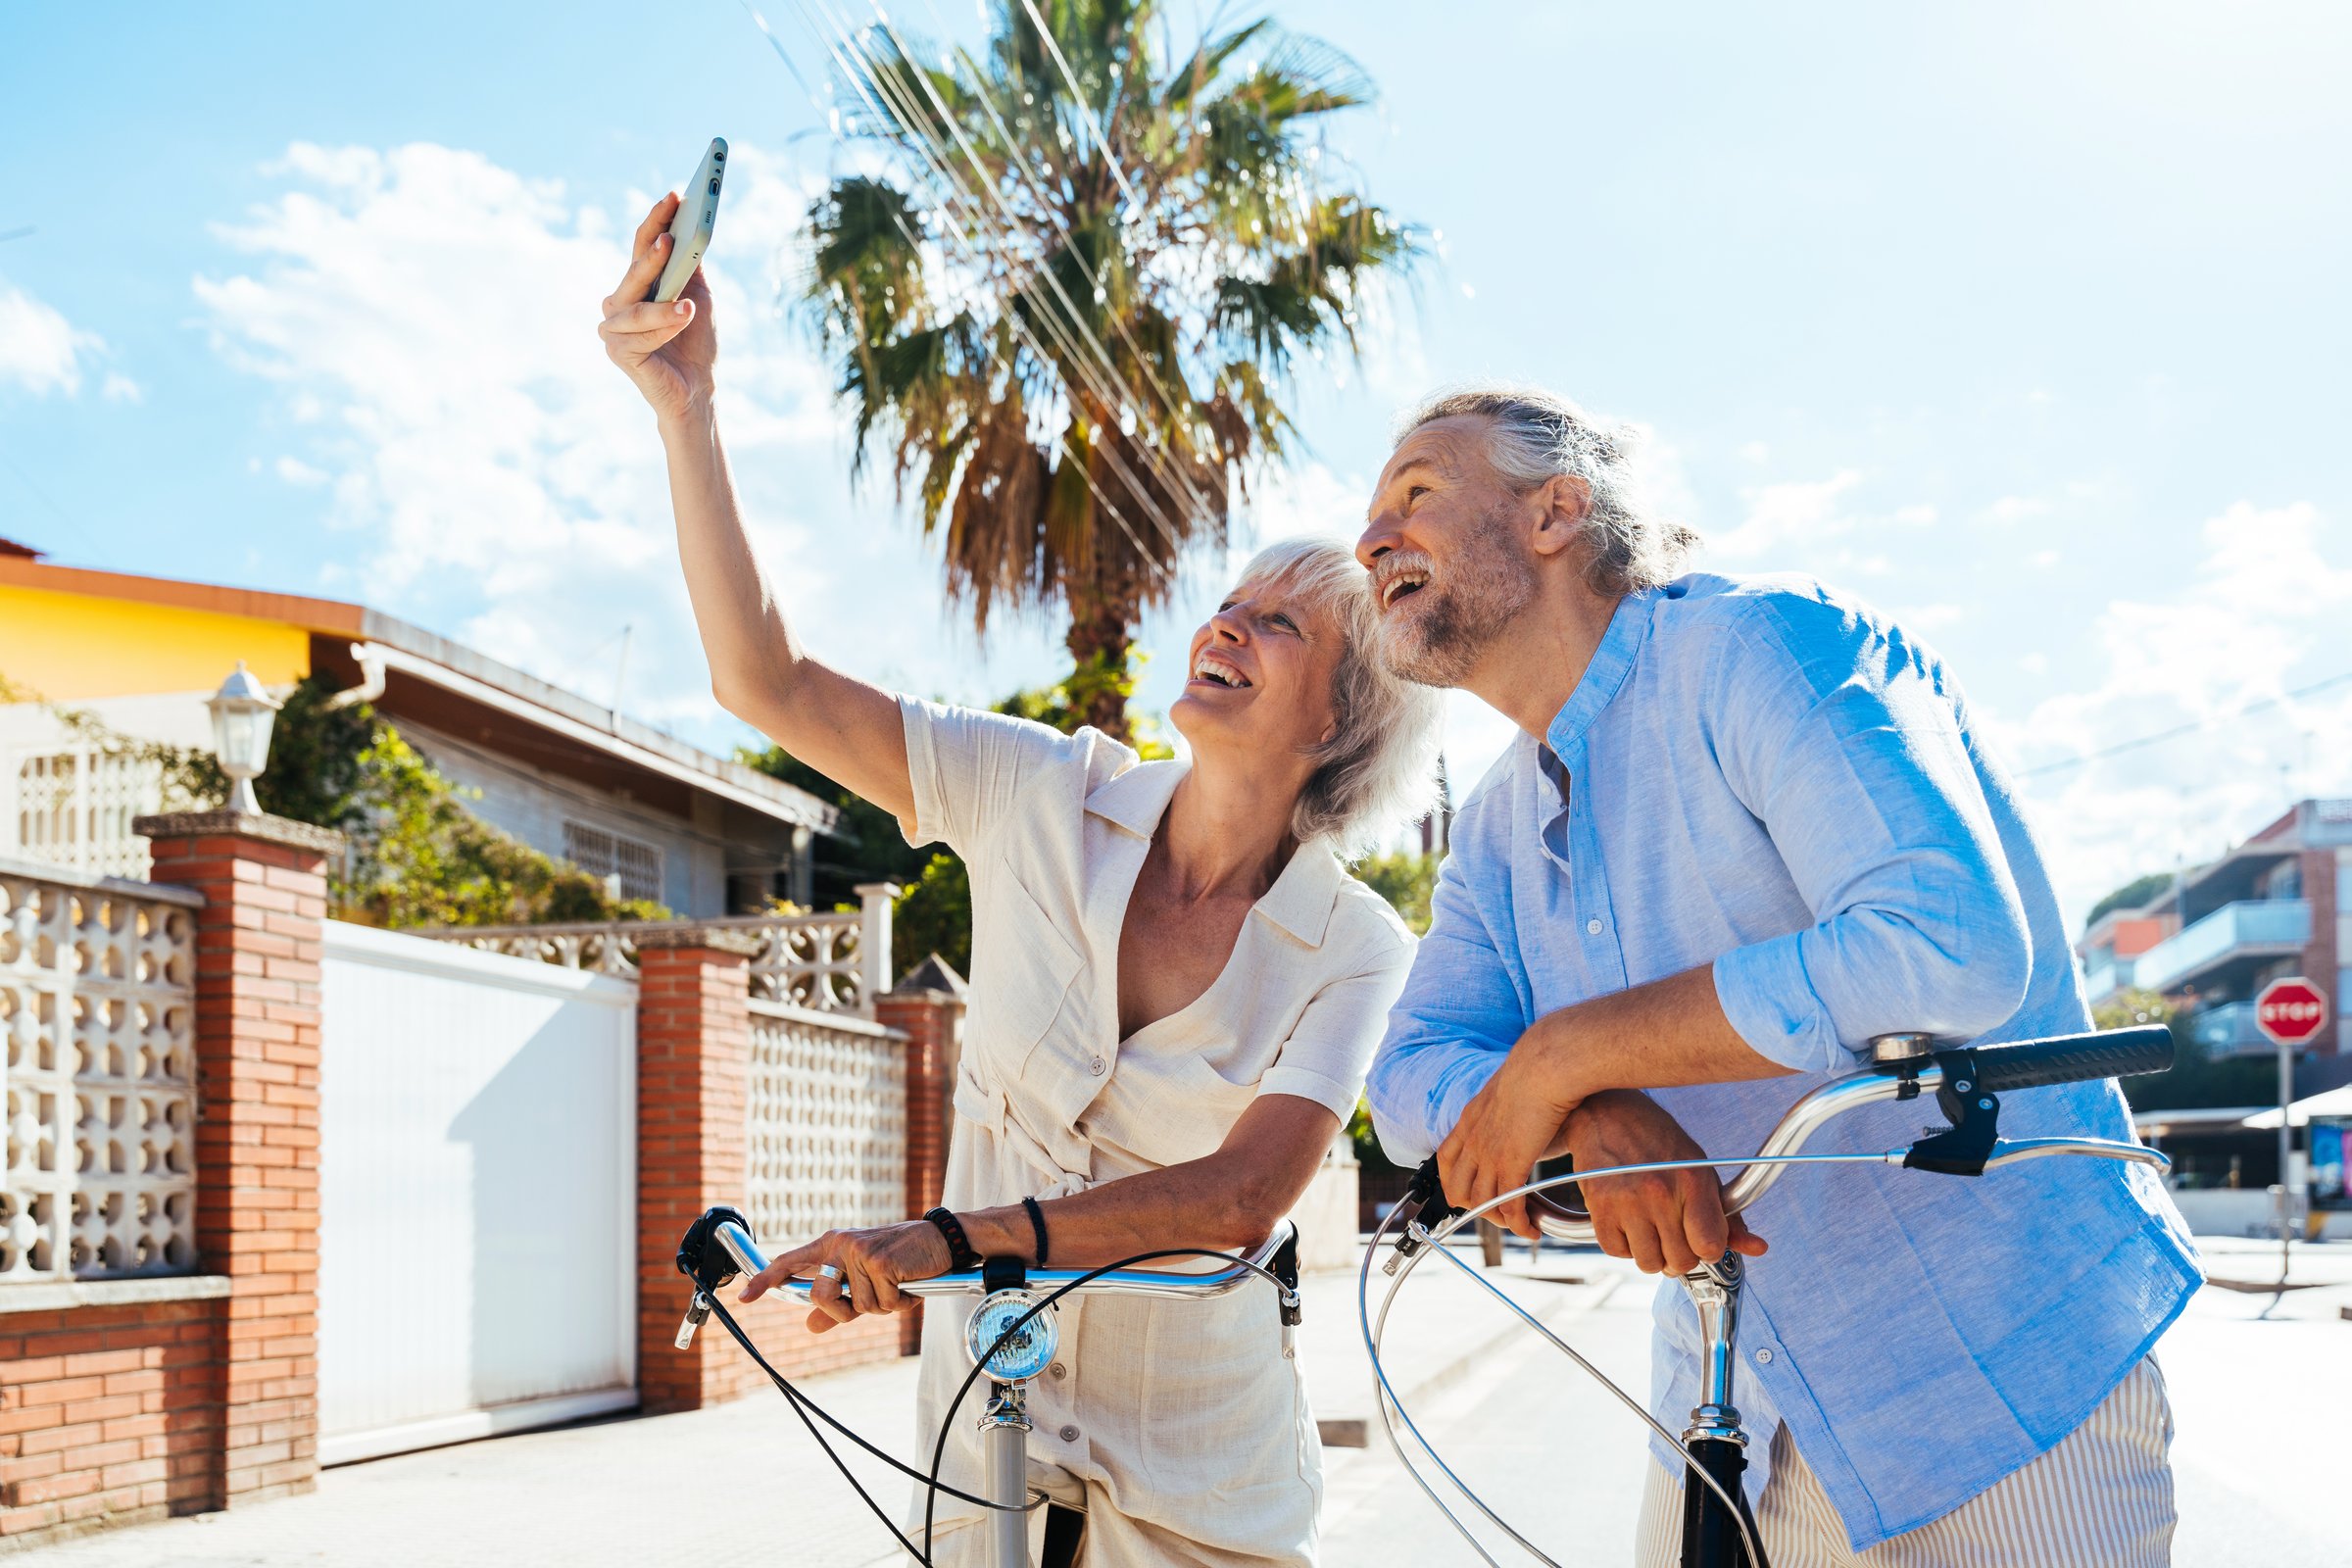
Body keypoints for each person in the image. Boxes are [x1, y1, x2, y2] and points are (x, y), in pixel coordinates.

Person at [600, 191, 1443, 1567]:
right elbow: (762, 680)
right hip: (981, 1456)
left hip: (1203, 1495)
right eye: (1227, 599)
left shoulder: (1356, 945)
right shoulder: (1035, 788)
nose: (1222, 620)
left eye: (1276, 623)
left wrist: (949, 1238)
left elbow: (1244, 1196)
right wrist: (685, 409)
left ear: (1345, 718)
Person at [1356, 384, 2198, 1566]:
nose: (1371, 536)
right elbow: (1406, 1083)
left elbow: (1948, 941)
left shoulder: (1766, 644)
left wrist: (1562, 1055)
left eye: (1417, 493)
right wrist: (1588, 1109)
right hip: (1729, 1411)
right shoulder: (1495, 826)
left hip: (2002, 1385)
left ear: (1557, 511)